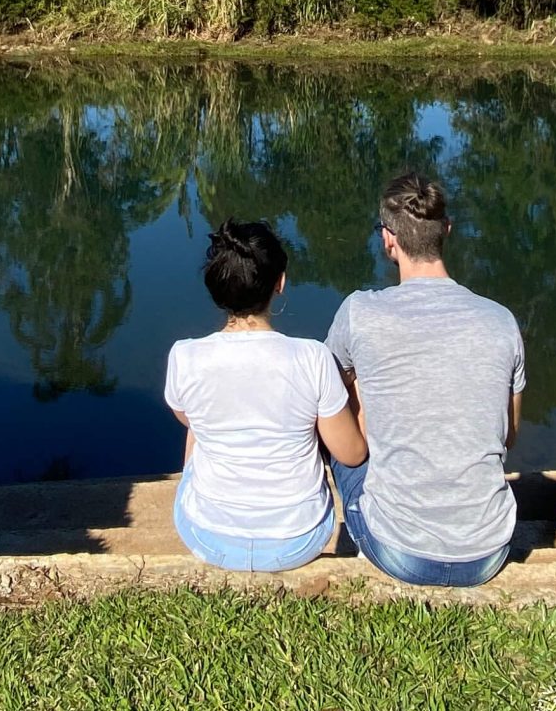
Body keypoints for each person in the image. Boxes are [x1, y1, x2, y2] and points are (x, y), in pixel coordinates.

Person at [326, 171, 523, 588]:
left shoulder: (359, 312)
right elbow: (508, 436)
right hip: (488, 551)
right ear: (446, 231)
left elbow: (326, 392)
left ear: (387, 239)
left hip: (399, 552)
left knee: (343, 397)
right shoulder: (500, 320)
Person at [166, 218, 367, 572]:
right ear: (281, 282)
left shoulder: (184, 356)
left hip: (207, 536)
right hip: (299, 539)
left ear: (217, 289)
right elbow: (351, 455)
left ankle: (219, 502)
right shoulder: (313, 357)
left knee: (199, 423)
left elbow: (187, 419)